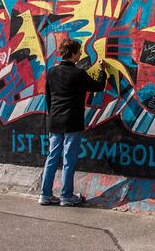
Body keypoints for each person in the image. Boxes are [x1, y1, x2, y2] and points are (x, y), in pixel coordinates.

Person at [39, 38, 107, 206]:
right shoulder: (78, 74)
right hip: (72, 121)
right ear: (73, 53)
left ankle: (45, 195)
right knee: (69, 159)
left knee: (52, 157)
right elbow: (98, 86)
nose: (81, 55)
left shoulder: (52, 72)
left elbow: (48, 97)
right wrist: (102, 71)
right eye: (79, 52)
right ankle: (66, 196)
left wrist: (52, 115)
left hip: (54, 120)